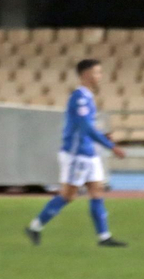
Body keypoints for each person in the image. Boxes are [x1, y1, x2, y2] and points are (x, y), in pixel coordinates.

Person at [26, 58, 128, 247]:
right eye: (97, 72)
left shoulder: (88, 97)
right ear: (86, 74)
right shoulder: (79, 97)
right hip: (76, 153)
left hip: (88, 152)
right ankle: (35, 226)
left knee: (97, 191)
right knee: (68, 195)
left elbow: (86, 128)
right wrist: (111, 146)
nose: (100, 76)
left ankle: (104, 237)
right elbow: (85, 127)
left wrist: (102, 136)